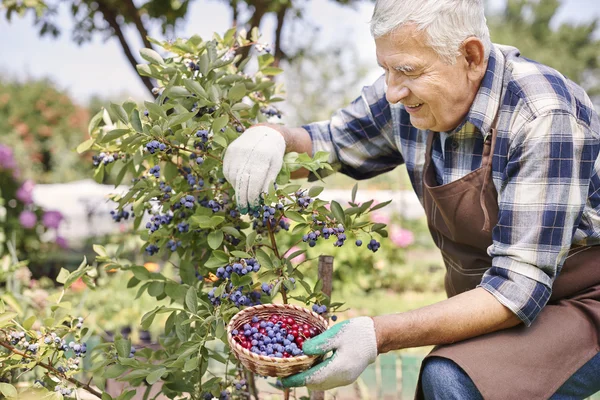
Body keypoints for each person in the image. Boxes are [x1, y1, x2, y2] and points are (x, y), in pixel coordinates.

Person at [223, 0, 600, 398]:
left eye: (406, 71)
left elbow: (517, 289)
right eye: (385, 69)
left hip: (583, 300)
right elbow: (328, 144)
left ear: (470, 56)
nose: (391, 92)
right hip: (499, 297)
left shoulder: (543, 114)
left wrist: (377, 334)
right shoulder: (408, 99)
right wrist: (273, 139)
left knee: (453, 379)